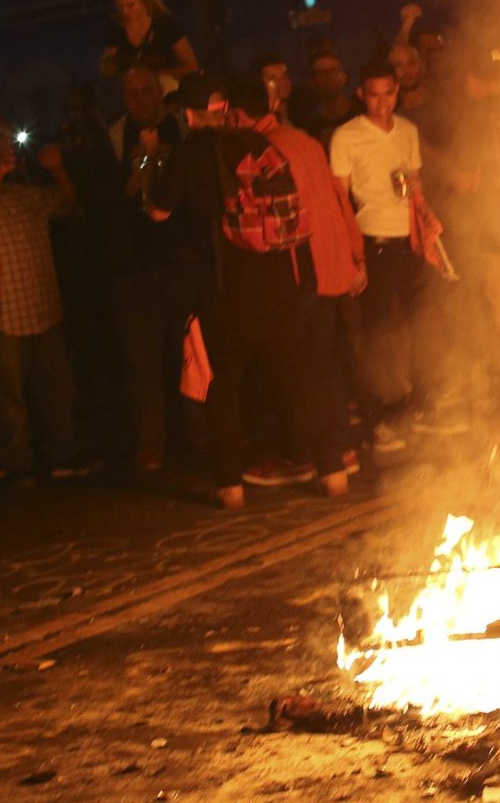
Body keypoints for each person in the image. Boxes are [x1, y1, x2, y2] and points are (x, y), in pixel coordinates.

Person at [148, 74, 351, 506]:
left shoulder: (189, 154)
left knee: (223, 388)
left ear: (189, 114)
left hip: (225, 292)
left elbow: (158, 212)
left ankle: (231, 488)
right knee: (301, 379)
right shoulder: (261, 146)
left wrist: (151, 161)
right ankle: (334, 473)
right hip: (280, 286)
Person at [236, 78, 366, 483]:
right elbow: (338, 199)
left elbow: (272, 220)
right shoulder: (304, 140)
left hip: (298, 271)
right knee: (324, 363)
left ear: (239, 116)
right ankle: (341, 451)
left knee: (294, 369)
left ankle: (304, 456)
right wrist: (354, 255)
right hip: (330, 268)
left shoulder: (261, 149)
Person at [0, 132, 85, 482]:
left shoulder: (22, 196)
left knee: (57, 389)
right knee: (8, 398)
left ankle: (64, 454)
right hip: (1, 314)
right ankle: (15, 463)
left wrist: (58, 170)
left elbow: (68, 204)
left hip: (42, 305)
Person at [330, 63, 426, 457]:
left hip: (410, 242)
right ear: (361, 95)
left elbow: (416, 185)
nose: (383, 102)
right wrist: (354, 257)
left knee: (417, 327)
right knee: (375, 335)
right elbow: (339, 199)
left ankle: (413, 407)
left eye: (389, 93)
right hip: (374, 241)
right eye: (374, 94)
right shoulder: (347, 136)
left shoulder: (407, 130)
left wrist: (427, 229)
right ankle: (374, 420)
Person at [102, 67, 190, 470]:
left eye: (146, 90)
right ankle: (152, 441)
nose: (139, 99)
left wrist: (157, 157)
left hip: (178, 259)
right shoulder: (115, 135)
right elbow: (126, 192)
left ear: (160, 92)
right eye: (130, 92)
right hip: (133, 264)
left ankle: (202, 437)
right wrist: (145, 162)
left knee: (190, 353)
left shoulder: (181, 127)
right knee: (142, 361)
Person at [100, 0, 199, 81]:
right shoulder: (117, 28)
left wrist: (155, 77)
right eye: (120, 6)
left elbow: (191, 66)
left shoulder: (165, 25)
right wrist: (109, 66)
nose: (124, 12)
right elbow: (107, 67)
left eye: (130, 5)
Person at [292, 43, 360, 139]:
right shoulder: (310, 124)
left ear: (344, 76)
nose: (329, 77)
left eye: (334, 71)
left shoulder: (362, 113)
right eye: (322, 73)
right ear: (311, 82)